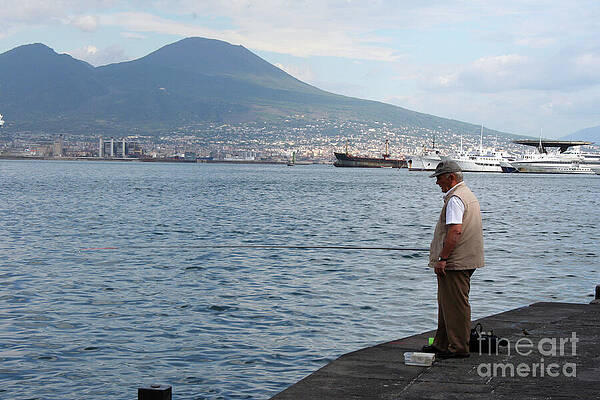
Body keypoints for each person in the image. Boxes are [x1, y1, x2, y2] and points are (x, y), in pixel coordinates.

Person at [421, 160, 484, 359]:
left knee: (455, 305)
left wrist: (443, 258)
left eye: (439, 178)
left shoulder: (455, 199)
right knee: (446, 303)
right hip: (466, 257)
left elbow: (455, 231)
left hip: (456, 261)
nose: (437, 182)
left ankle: (458, 347)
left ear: (451, 177)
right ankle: (442, 343)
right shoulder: (467, 195)